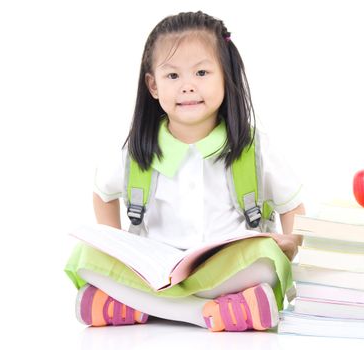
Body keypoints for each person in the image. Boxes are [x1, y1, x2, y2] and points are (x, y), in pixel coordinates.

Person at [65, 11, 305, 332]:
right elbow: (103, 194)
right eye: (173, 76)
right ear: (153, 85)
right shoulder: (137, 151)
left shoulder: (253, 147)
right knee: (84, 256)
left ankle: (136, 305)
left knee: (266, 259)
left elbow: (292, 206)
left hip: (225, 270)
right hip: (154, 271)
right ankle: (209, 312)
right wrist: (118, 244)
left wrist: (290, 242)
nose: (188, 87)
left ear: (226, 76)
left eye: (202, 72)